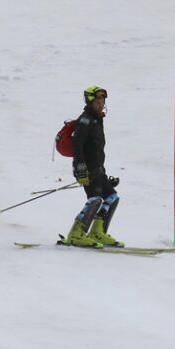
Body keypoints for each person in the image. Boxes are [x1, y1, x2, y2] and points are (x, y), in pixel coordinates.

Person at [63, 85, 124, 248]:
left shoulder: (97, 119)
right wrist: (80, 169)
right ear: (89, 102)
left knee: (112, 197)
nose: (101, 104)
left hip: (98, 168)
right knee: (95, 199)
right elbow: (78, 146)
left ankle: (98, 231)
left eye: (102, 101)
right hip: (86, 168)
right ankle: (76, 234)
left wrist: (103, 173)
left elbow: (95, 148)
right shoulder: (85, 120)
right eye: (97, 102)